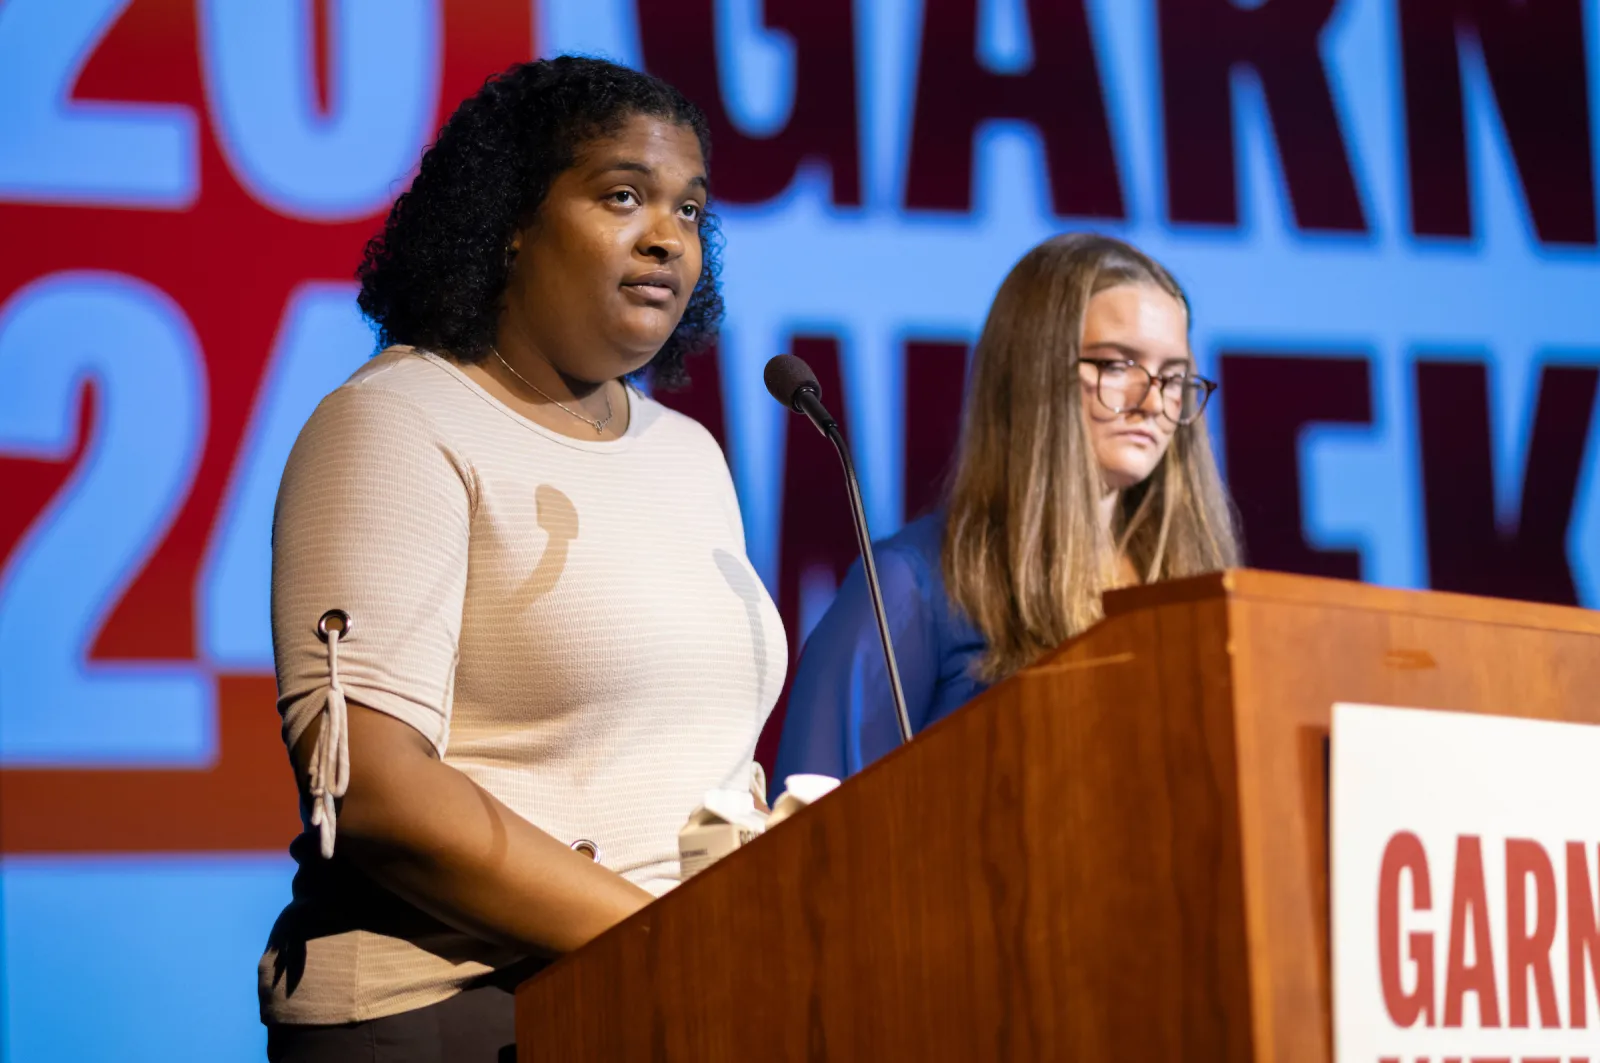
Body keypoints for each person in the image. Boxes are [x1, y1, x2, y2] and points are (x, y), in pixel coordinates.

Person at [258, 56, 785, 1062]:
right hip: (454, 1013)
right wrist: (659, 937)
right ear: (509, 216)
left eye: (690, 209)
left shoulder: (689, 453)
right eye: (623, 195)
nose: (668, 235)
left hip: (671, 992)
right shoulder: (397, 424)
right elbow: (374, 790)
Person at [773, 233, 1239, 785]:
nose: (1152, 401)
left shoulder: (1191, 594)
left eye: (1174, 375)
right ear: (1033, 373)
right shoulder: (908, 587)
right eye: (1117, 365)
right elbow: (813, 830)